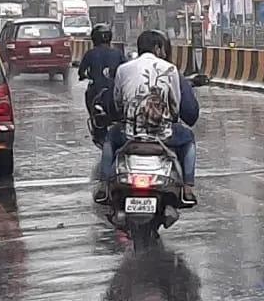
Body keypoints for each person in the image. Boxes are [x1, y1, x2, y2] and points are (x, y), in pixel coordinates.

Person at [94, 30, 200, 206]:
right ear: (158, 48)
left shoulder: (123, 69)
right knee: (189, 138)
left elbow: (117, 103)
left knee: (109, 138)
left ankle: (104, 186)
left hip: (129, 134)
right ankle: (188, 187)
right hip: (164, 134)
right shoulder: (170, 70)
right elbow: (175, 105)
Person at [78, 24, 126, 142]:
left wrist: (84, 76)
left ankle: (95, 124)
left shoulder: (90, 54)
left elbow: (81, 71)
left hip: (96, 93)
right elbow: (126, 69)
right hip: (115, 93)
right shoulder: (118, 53)